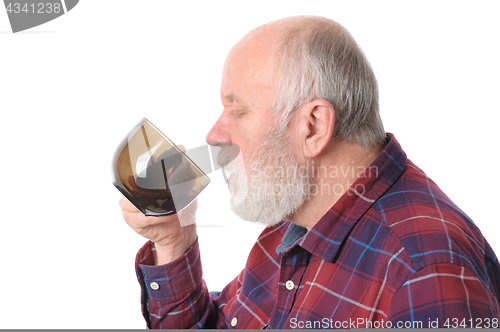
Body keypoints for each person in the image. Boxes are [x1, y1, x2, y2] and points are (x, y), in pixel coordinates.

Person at [120, 16, 500, 329]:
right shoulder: (295, 227)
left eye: (238, 111)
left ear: (314, 127)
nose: (214, 135)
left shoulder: (425, 272)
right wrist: (174, 240)